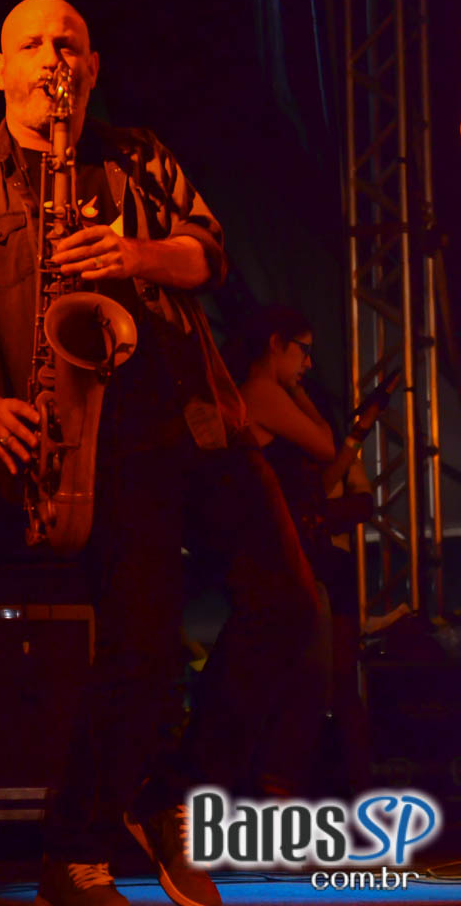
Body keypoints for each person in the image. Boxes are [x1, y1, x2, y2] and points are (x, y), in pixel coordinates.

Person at [0, 0, 324, 906]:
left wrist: (134, 255)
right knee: (139, 656)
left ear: (91, 69)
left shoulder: (139, 156)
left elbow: (208, 257)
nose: (55, 57)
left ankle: (170, 791)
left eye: (71, 45)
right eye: (34, 44)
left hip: (198, 417)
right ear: (2, 69)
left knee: (289, 606)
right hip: (93, 441)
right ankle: (73, 853)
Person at [236, 305, 385, 793]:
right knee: (305, 680)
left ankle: (280, 786)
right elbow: (322, 446)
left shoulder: (268, 394)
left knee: (315, 679)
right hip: (280, 555)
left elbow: (326, 475)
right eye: (303, 351)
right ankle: (272, 786)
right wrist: (299, 392)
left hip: (299, 554)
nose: (309, 364)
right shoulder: (261, 393)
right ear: (275, 344)